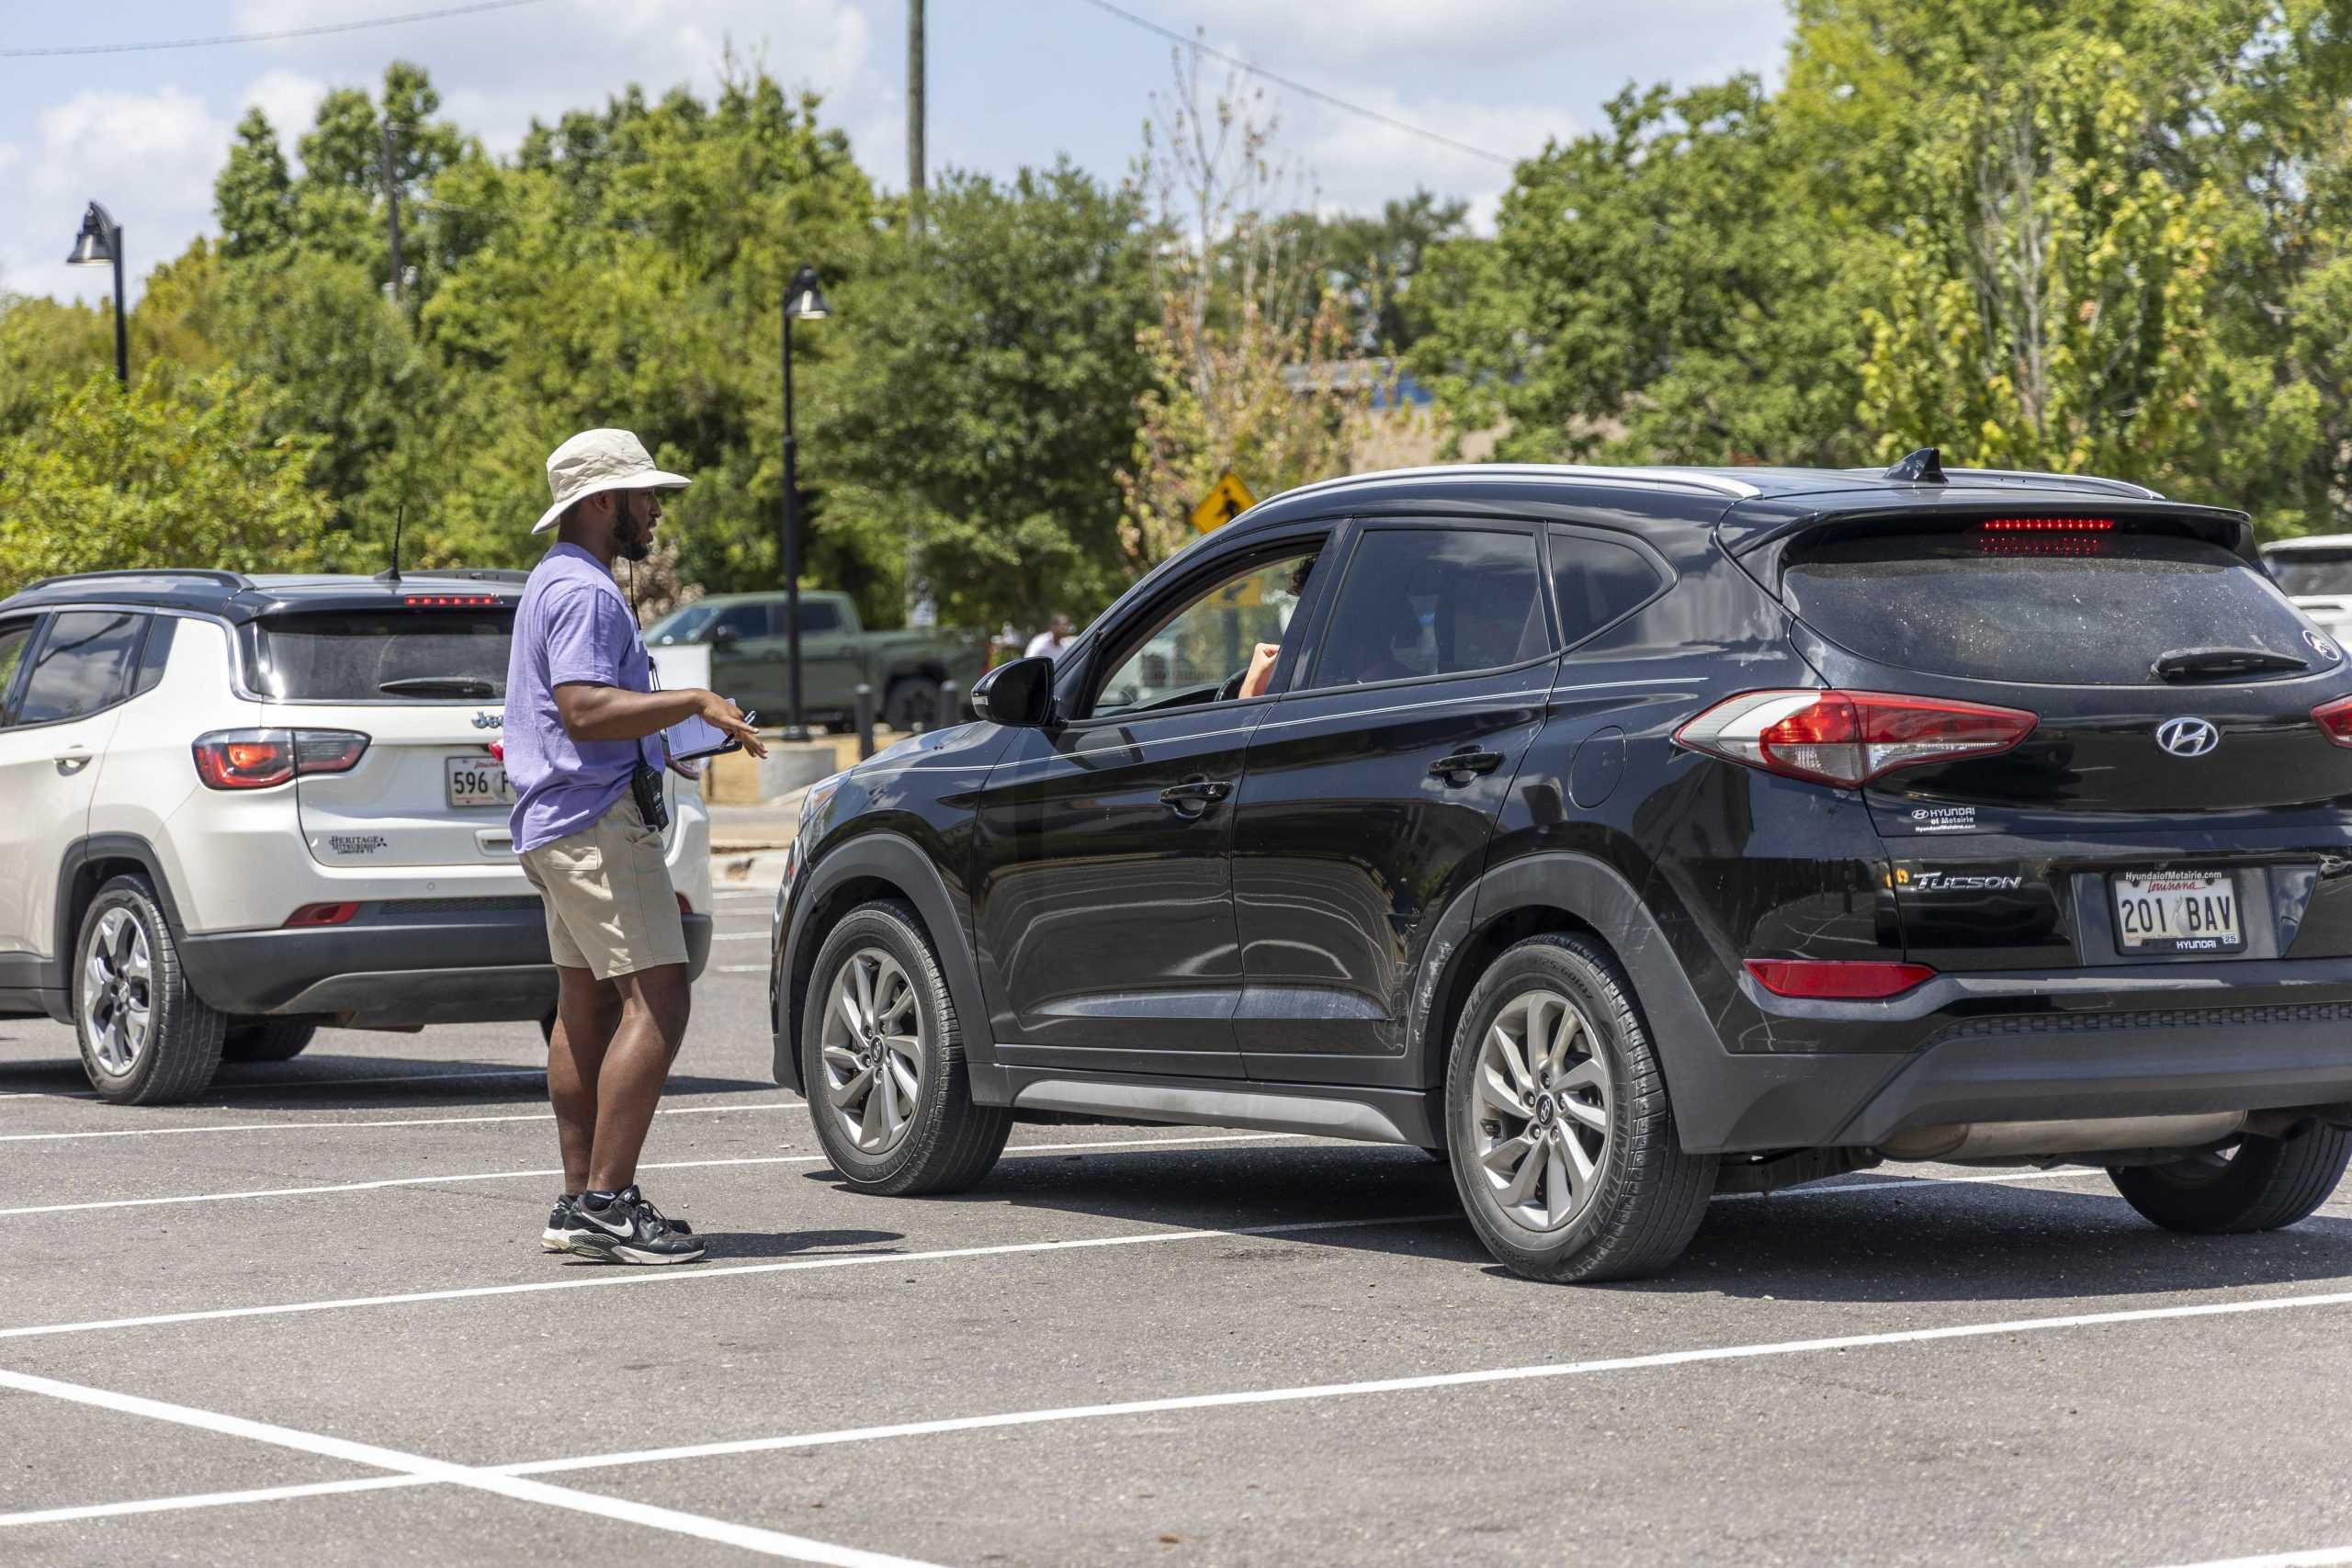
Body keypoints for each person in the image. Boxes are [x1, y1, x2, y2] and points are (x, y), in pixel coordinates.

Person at [504, 428, 767, 1266]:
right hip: (592, 822)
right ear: (599, 502)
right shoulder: (583, 591)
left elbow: (591, 714)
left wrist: (694, 725)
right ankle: (610, 1205)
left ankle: (579, 1201)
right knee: (661, 996)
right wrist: (693, 693)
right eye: (643, 493)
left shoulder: (553, 581)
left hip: (554, 822)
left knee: (585, 1009)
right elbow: (583, 708)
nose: (654, 508)